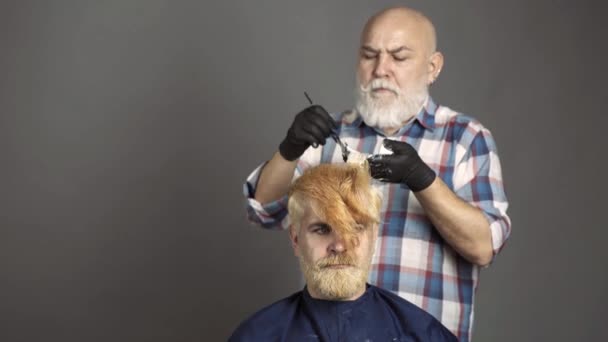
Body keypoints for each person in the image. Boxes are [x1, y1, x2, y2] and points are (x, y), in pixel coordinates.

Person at [243, 6, 511, 341]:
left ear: (432, 67)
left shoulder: (465, 138)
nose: (380, 69)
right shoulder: (328, 137)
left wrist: (422, 179)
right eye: (370, 55)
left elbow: (482, 246)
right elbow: (263, 210)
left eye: (398, 58)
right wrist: (290, 148)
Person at [232, 164, 458, 341]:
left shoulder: (424, 334)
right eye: (322, 229)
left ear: (374, 236)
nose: (339, 246)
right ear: (296, 239)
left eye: (354, 228)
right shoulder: (256, 335)